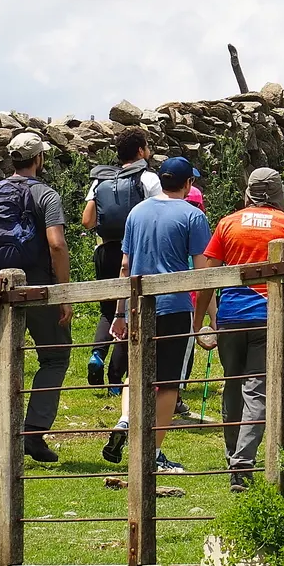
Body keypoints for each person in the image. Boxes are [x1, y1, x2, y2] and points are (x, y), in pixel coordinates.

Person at [194, 167, 284, 491]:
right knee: (257, 389)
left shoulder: (227, 224)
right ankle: (242, 465)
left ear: (248, 192)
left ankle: (234, 456)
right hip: (267, 318)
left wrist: (199, 321)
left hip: (230, 317)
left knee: (232, 387)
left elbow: (206, 278)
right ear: (278, 193)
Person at [102, 157, 213, 474]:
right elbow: (203, 271)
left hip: (138, 307)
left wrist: (119, 313)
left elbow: (125, 267)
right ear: (187, 184)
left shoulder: (137, 212)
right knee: (167, 384)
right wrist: (206, 317)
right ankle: (152, 453)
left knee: (135, 375)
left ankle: (125, 420)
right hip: (175, 307)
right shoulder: (193, 216)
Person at [0, 131, 73, 464]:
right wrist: (64, 293)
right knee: (56, 356)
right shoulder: (45, 195)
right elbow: (57, 244)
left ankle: (0, 445)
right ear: (39, 159)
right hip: (37, 287)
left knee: (2, 366)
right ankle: (33, 432)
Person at [81, 129, 161, 391]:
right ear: (140, 151)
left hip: (105, 252)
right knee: (131, 311)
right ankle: (116, 380)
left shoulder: (99, 180)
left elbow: (87, 220)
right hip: (136, 252)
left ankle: (97, 353)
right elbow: (156, 216)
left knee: (108, 310)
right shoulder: (148, 178)